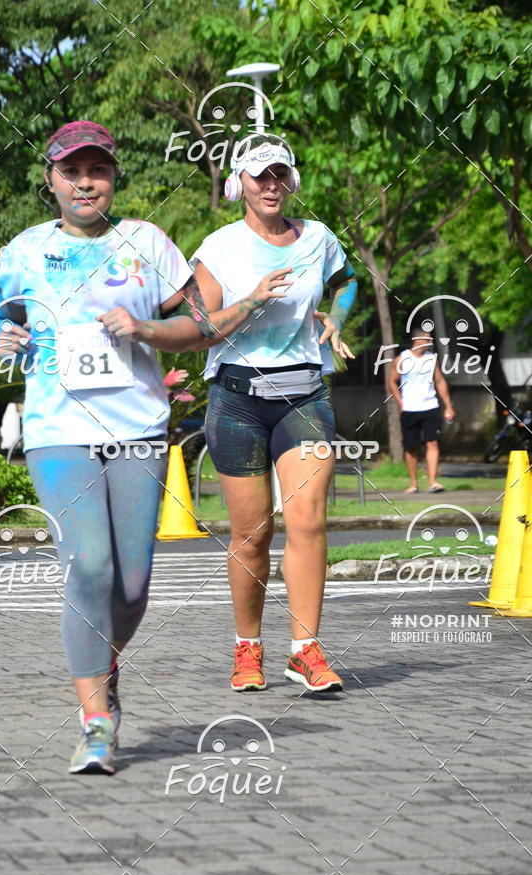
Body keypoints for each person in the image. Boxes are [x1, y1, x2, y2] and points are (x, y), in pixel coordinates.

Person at [0, 120, 287, 774]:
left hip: (137, 430)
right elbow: (1, 316)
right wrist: (2, 338)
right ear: (51, 180)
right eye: (72, 171)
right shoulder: (24, 250)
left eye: (96, 170)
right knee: (89, 567)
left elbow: (200, 326)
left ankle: (104, 663)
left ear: (113, 177)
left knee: (132, 586)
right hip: (57, 431)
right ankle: (96, 721)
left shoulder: (147, 243)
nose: (84, 182)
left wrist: (145, 326)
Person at [191, 134, 358, 694]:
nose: (270, 185)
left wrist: (335, 315)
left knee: (308, 519)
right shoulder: (218, 248)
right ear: (239, 181)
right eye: (259, 175)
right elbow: (202, 328)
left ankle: (306, 650)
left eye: (280, 174)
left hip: (304, 395)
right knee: (253, 534)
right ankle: (248, 648)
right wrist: (253, 300)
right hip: (236, 398)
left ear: (293, 181)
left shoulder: (318, 239)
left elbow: (348, 280)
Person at [387, 326, 456, 493]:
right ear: (417, 341)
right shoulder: (402, 359)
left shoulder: (432, 359)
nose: (430, 342)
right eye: (427, 339)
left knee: (432, 443)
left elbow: (439, 381)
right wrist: (400, 403)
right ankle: (413, 483)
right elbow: (391, 382)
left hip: (430, 406)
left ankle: (433, 482)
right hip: (410, 409)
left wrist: (448, 406)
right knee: (412, 447)